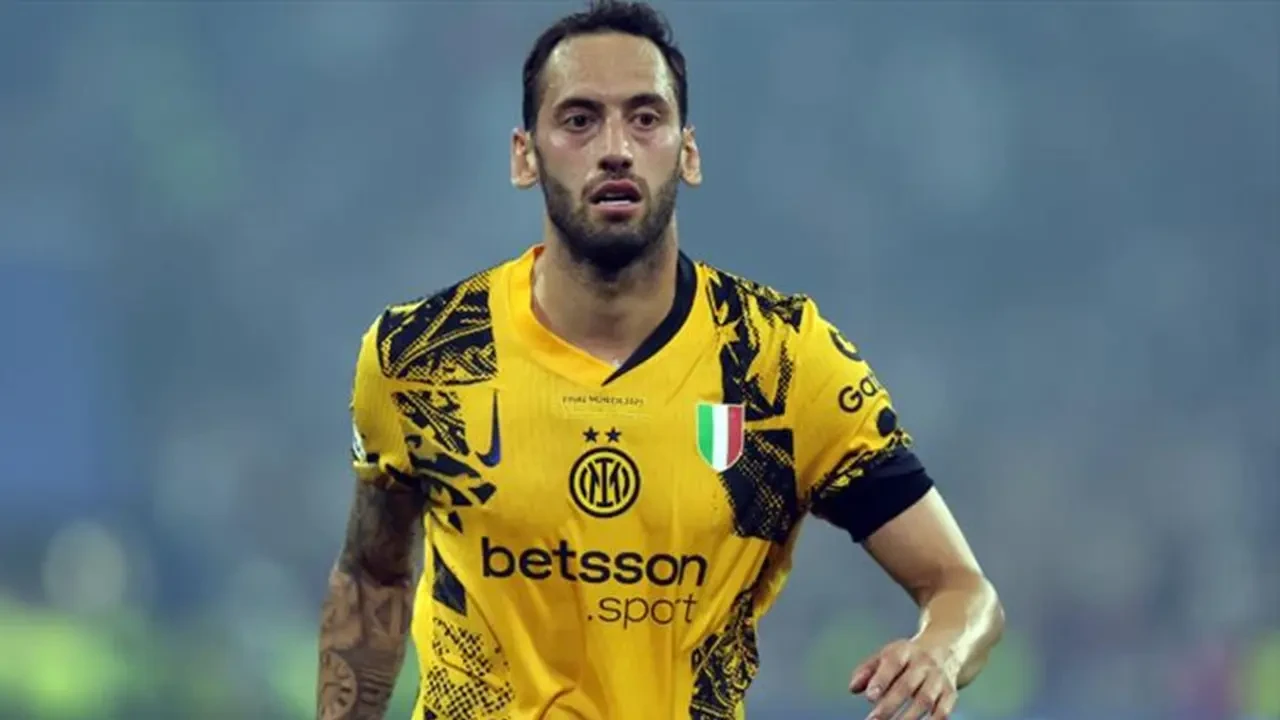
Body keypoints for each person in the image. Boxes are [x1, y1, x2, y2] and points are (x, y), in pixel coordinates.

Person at [315, 2, 1004, 719]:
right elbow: (370, 578)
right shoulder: (424, 354)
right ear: (525, 156)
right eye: (579, 120)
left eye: (645, 118)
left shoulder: (777, 361)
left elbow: (963, 589)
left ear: (688, 152)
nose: (616, 148)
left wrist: (940, 650)